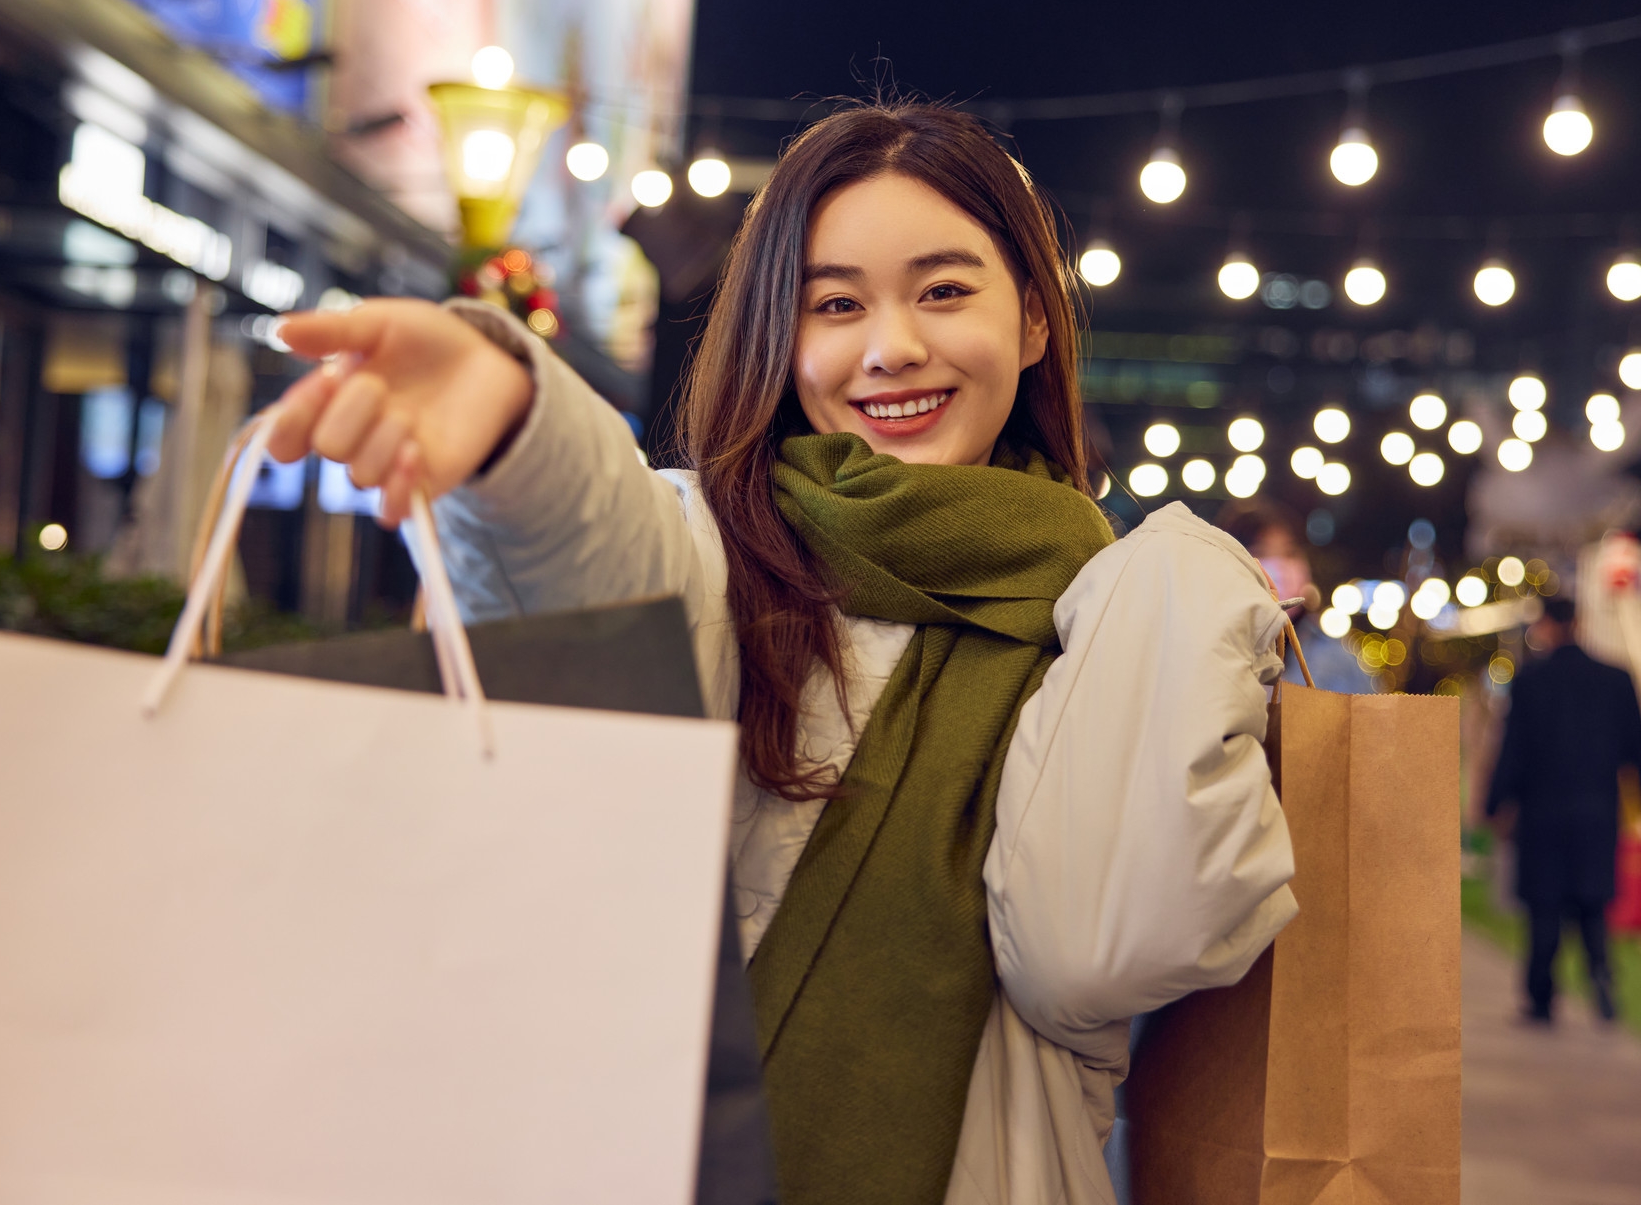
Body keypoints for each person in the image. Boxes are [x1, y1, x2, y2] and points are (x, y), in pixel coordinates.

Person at [269, 103, 1297, 1205]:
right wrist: (520, 430)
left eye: (944, 291)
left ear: (1036, 322)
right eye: (836, 304)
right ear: (778, 333)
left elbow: (1101, 950)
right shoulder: (718, 555)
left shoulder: (1114, 618)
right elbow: (591, 566)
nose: (891, 345)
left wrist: (1197, 591)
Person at [1485, 598, 1641, 1023]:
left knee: (1543, 909)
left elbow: (1514, 751)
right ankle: (1601, 977)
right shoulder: (1616, 680)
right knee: (1592, 905)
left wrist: (1495, 803)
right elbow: (1637, 747)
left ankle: (1541, 998)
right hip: (1596, 813)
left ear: (1546, 625)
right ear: (1578, 623)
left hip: (1542, 815)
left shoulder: (1530, 681)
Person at [1219, 501, 1378, 694]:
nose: (1281, 568)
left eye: (1289, 553)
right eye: (1260, 553)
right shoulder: (1210, 652)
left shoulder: (1333, 653)